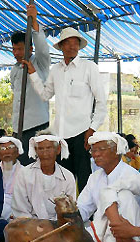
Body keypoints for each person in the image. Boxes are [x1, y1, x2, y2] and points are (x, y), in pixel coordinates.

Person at [24, 27, 107, 192]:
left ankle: (86, 216)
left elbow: (101, 102)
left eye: (75, 43)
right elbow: (45, 95)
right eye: (68, 43)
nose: (72, 47)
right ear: (61, 46)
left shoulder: (89, 67)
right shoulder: (56, 70)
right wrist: (33, 74)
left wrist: (92, 129)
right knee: (63, 180)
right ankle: (64, 215)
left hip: (82, 133)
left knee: (84, 178)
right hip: (61, 136)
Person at [76, 132, 139, 242]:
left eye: (101, 149)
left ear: (116, 151)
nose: (96, 154)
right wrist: (70, 216)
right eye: (93, 150)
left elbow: (131, 214)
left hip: (127, 235)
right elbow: (83, 207)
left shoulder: (131, 176)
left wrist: (120, 232)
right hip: (100, 231)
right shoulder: (94, 177)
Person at [10, 4, 50, 165]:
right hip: (18, 128)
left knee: (38, 165)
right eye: (14, 49)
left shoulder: (40, 63)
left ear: (30, 48)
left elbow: (43, 48)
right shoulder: (14, 70)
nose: (17, 53)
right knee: (21, 166)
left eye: (20, 49)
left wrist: (34, 21)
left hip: (37, 125)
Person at [12, 132, 76, 221]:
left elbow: (69, 211)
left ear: (58, 150)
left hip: (59, 226)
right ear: (36, 150)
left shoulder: (68, 177)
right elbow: (20, 210)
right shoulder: (24, 174)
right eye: (41, 149)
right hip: (30, 225)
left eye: (49, 148)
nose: (45, 154)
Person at [0, 136, 24, 221]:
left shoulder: (25, 172)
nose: (6, 151)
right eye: (2, 148)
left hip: (19, 215)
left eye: (10, 147)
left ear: (17, 152)